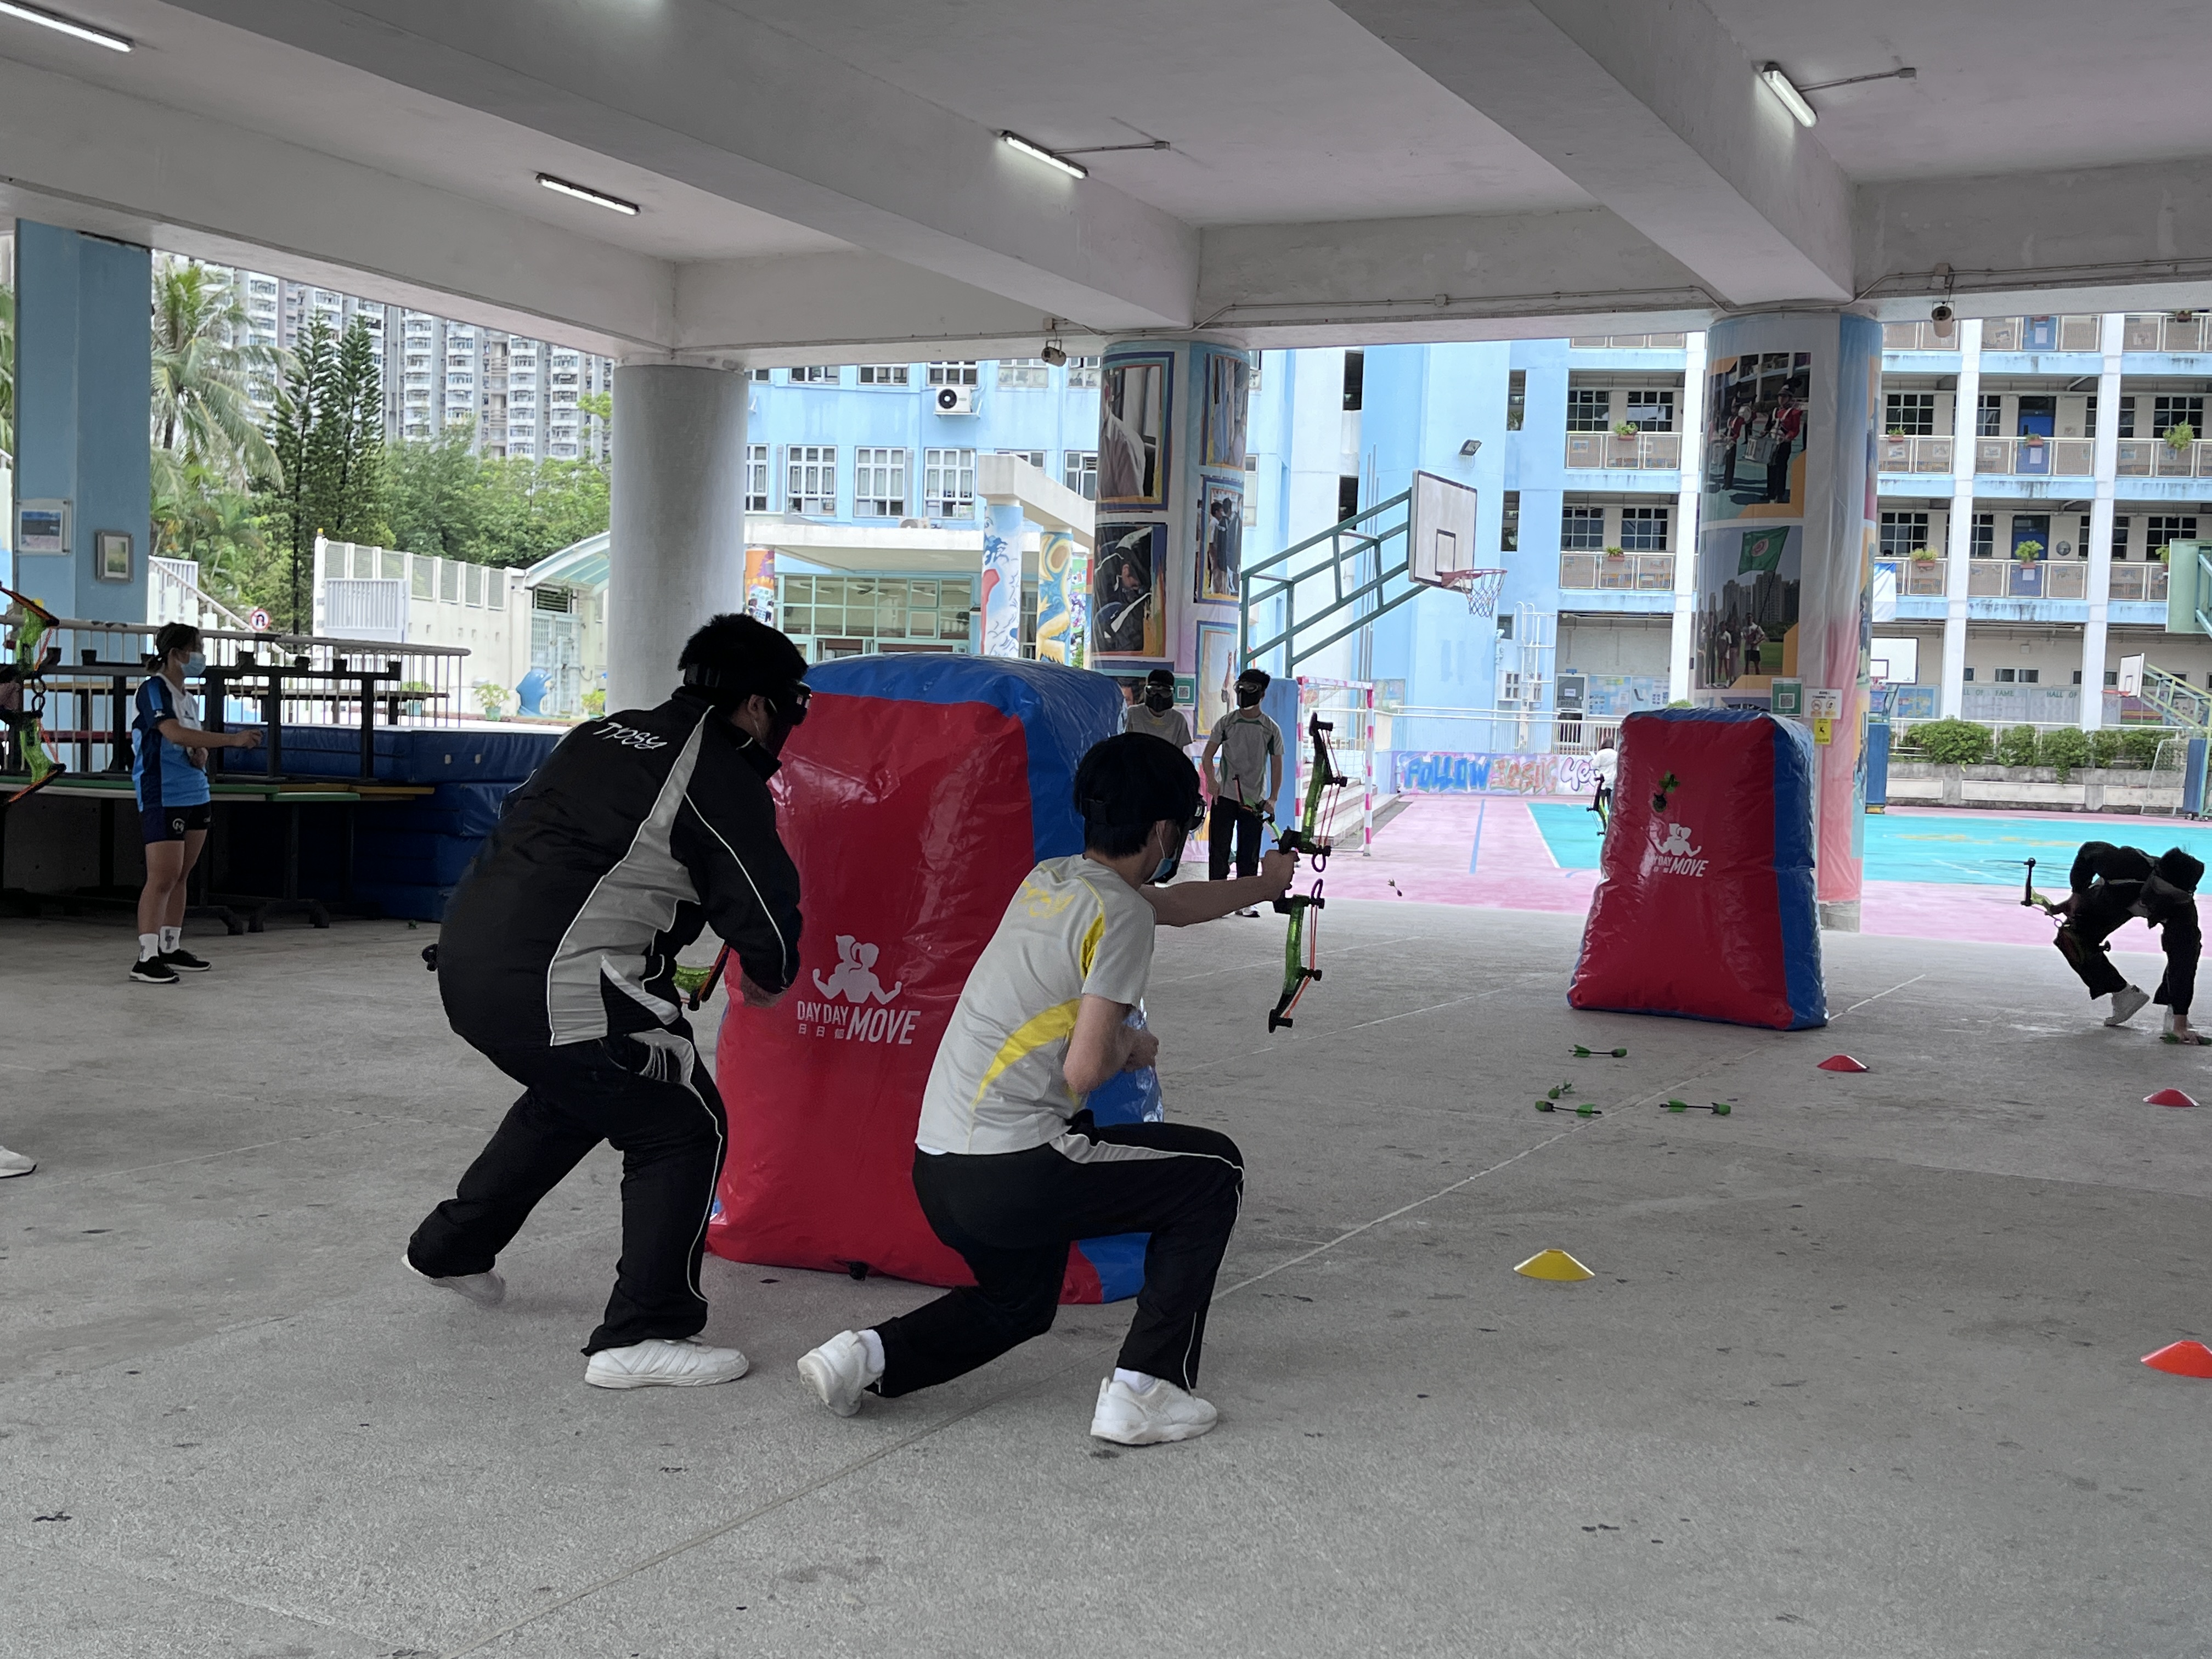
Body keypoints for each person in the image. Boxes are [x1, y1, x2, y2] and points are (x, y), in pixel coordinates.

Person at [794, 732, 1296, 1444]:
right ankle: (1147, 1388)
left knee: (1019, 1303)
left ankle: (862, 1358)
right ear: (1165, 830)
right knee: (1213, 1173)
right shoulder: (1121, 915)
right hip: (1013, 1169)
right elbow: (1085, 1071)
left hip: (940, 1169)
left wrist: (1265, 885)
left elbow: (1174, 904)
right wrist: (1132, 1047)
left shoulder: (1053, 880)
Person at [405, 614, 809, 1389]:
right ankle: (643, 1332)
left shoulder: (604, 733)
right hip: (557, 980)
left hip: (469, 961)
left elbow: (525, 827)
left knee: (584, 1091)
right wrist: (772, 972)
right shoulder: (716, 769)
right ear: (760, 705)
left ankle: (450, 1249)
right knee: (682, 1123)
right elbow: (763, 903)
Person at [129, 623, 262, 985]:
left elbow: (187, 740)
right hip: (163, 791)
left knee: (182, 874)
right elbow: (171, 732)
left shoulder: (187, 698)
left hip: (194, 790)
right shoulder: (154, 689)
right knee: (163, 876)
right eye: (196, 648)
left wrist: (200, 752)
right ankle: (146, 956)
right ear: (176, 654)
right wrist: (231, 740)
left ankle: (171, 946)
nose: (200, 656)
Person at [2047, 842, 2203, 1041]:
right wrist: (2077, 893)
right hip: (2116, 897)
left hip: (2162, 909)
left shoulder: (2181, 910)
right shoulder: (2125, 864)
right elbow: (2088, 851)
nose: (2162, 898)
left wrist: (2180, 1022)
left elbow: (2183, 964)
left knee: (2186, 949)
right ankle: (2123, 994)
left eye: (2173, 896)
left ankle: (2173, 1014)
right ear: (2155, 876)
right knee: (2070, 937)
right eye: (2160, 890)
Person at [1201, 668, 1285, 913]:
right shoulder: (1227, 723)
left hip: (1254, 799)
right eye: (1241, 687)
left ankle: (1245, 902)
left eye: (1251, 689)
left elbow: (1277, 765)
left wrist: (1273, 798)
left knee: (1249, 851)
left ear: (1262, 694)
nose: (1244, 693)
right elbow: (1208, 756)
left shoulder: (1270, 729)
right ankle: (1217, 900)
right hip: (1225, 795)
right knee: (1219, 848)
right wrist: (1212, 782)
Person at [1122, 667, 1192, 750]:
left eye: (1164, 691)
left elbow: (1178, 752)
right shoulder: (1133, 713)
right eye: (1154, 690)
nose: (1158, 696)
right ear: (1147, 691)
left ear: (1171, 693)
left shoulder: (1178, 719)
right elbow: (1124, 743)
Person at [1589, 744, 1617, 827]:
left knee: (1600, 805)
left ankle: (1605, 821)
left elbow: (1594, 765)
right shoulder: (1616, 754)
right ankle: (1611, 821)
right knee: (1611, 804)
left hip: (1603, 782)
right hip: (1612, 781)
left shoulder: (1601, 753)